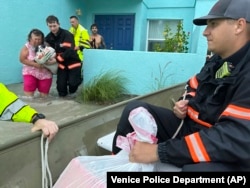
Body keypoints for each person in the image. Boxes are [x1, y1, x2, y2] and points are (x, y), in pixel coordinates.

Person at [112, 0, 250, 171]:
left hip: (231, 149)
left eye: (213, 24)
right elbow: (193, 86)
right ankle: (114, 169)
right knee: (134, 108)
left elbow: (233, 137)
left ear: (239, 26)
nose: (205, 32)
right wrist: (183, 103)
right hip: (195, 129)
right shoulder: (217, 60)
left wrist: (159, 152)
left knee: (197, 172)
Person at [45, 15, 82, 98]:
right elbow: (45, 49)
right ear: (47, 26)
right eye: (50, 26)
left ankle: (78, 80)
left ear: (59, 24)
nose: (52, 28)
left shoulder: (67, 35)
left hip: (73, 63)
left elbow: (69, 51)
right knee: (61, 88)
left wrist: (56, 60)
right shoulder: (48, 38)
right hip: (62, 65)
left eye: (54, 26)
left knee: (73, 85)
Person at [19, 29, 54, 99]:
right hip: (30, 72)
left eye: (39, 39)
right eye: (35, 39)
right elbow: (22, 59)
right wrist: (35, 64)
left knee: (44, 97)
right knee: (29, 97)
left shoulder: (46, 46)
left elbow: (53, 57)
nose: (37, 41)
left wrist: (51, 61)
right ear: (30, 38)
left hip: (45, 73)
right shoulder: (26, 47)